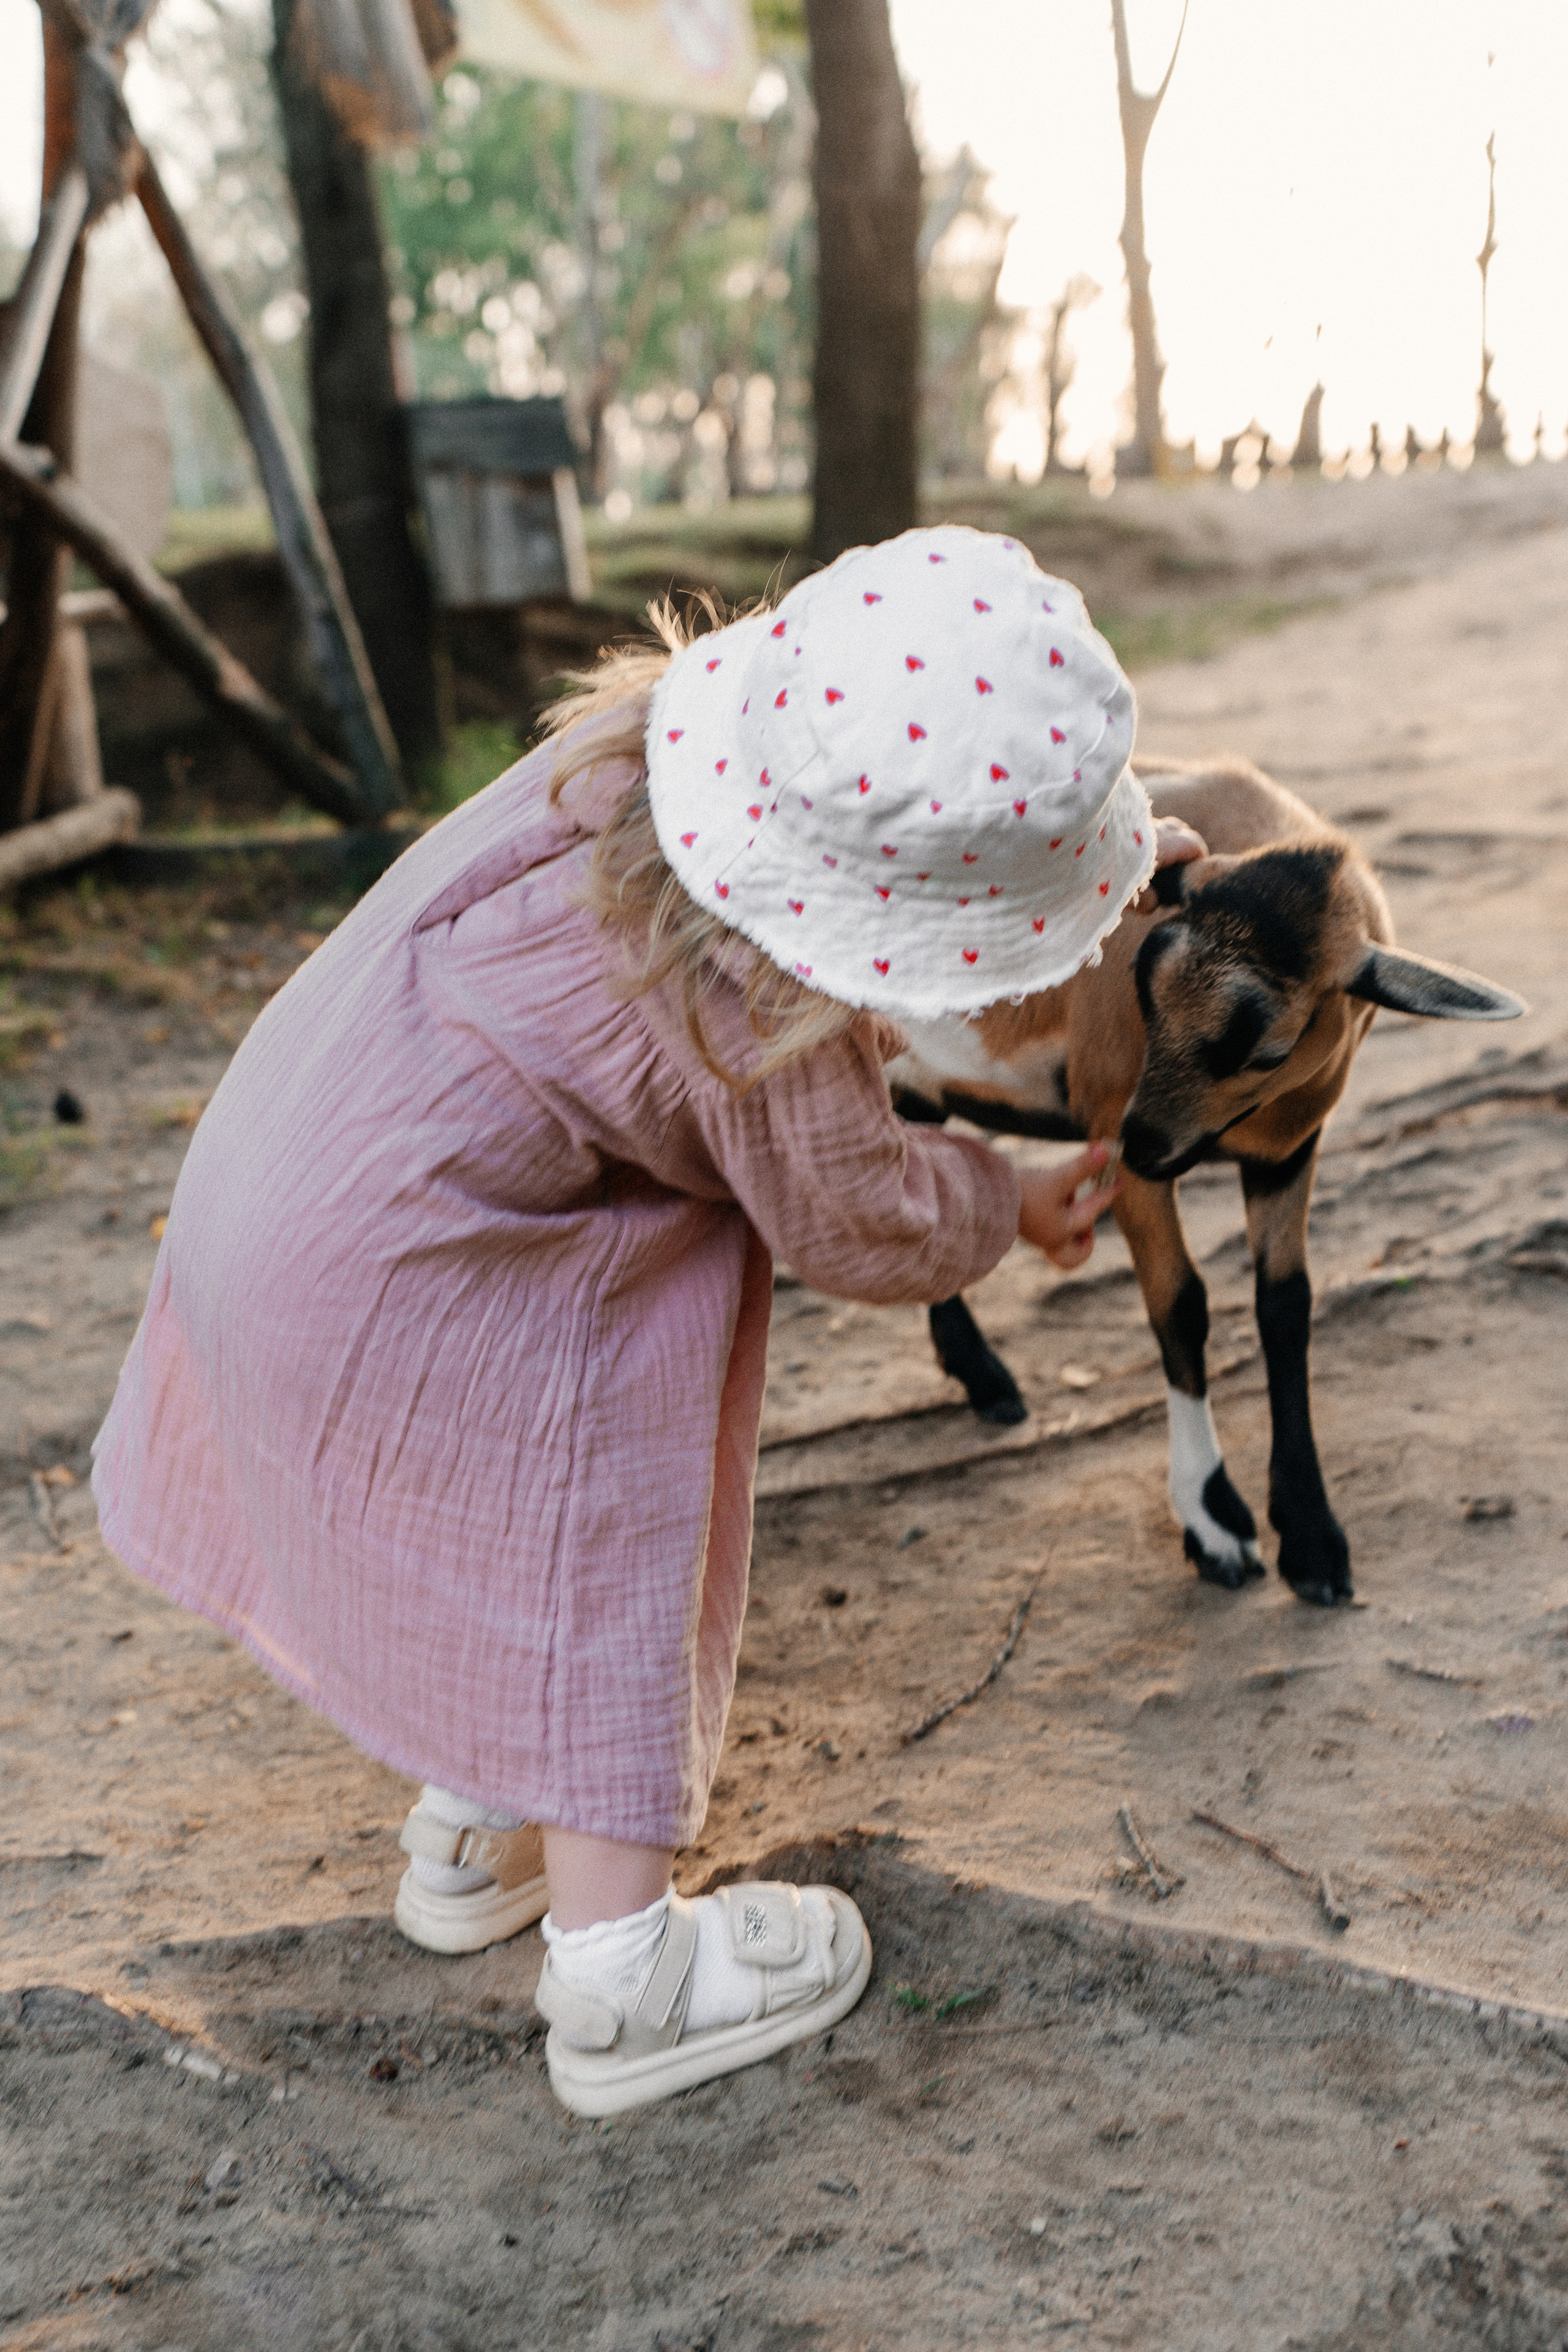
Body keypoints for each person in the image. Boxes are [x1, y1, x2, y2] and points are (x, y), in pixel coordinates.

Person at [92, 526, 1204, 2119]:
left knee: (488, 1514)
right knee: (607, 1475)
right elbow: (850, 1216)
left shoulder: (631, 761)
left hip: (297, 1179)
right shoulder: (748, 998)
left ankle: (479, 1828)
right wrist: (1000, 1202)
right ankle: (624, 1983)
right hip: (413, 1261)